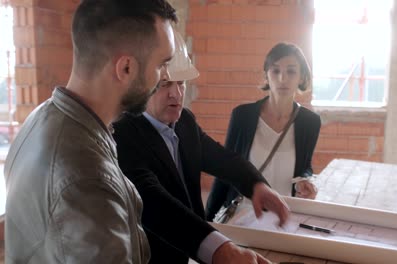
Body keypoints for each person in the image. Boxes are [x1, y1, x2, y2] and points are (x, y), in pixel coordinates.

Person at [4, 0, 177, 263]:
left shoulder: (43, 116)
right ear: (126, 68)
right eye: (161, 65)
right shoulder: (87, 177)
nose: (164, 77)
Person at [112, 31, 289, 264]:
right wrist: (220, 249)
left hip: (190, 252)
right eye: (164, 84)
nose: (176, 94)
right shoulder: (123, 133)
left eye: (182, 83)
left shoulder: (184, 120)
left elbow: (222, 158)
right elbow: (154, 202)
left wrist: (256, 185)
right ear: (142, 85)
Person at [206, 42, 321, 222]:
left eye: (291, 71)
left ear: (301, 77)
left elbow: (305, 166)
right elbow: (225, 170)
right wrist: (207, 220)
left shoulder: (310, 122)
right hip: (243, 216)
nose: (282, 78)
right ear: (266, 75)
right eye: (275, 71)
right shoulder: (242, 116)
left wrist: (306, 180)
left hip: (283, 217)